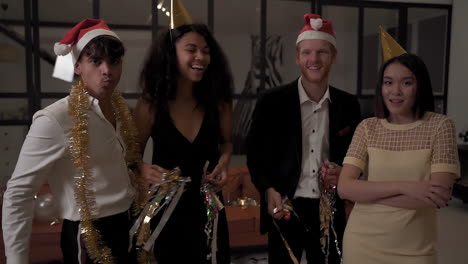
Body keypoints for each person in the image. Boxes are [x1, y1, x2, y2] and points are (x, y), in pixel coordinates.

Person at [2, 19, 143, 264]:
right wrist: (16, 260)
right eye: (96, 61)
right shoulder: (54, 119)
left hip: (127, 225)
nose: (107, 70)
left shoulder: (121, 112)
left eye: (114, 62)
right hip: (87, 236)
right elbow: (18, 194)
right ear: (78, 66)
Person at [247, 13, 361, 264]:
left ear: (333, 57)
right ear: (297, 57)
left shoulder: (349, 105)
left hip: (329, 210)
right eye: (307, 52)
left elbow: (358, 156)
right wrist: (268, 190)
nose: (314, 59)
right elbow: (255, 154)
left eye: (322, 52)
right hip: (286, 207)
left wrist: (344, 171)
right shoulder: (271, 102)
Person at [338, 53, 460, 264]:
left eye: (406, 83)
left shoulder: (440, 126)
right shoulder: (368, 127)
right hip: (361, 243)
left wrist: (367, 193)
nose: (395, 91)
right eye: (388, 82)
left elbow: (438, 196)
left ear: (419, 86)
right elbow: (345, 188)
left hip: (415, 250)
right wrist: (406, 187)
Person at [133, 23, 233, 263]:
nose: (201, 57)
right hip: (164, 215)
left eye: (206, 51)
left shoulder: (219, 104)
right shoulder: (150, 106)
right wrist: (142, 168)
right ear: (170, 53)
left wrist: (225, 163)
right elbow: (129, 155)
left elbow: (227, 144)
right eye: (192, 49)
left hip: (209, 213)